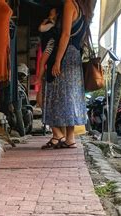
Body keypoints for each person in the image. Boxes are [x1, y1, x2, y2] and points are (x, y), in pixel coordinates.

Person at [41, 0, 95, 149]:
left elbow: (65, 34)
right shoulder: (84, 9)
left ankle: (57, 134)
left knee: (54, 93)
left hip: (65, 54)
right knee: (70, 96)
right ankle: (70, 138)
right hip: (75, 54)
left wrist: (58, 60)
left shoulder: (69, 4)